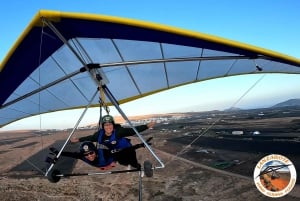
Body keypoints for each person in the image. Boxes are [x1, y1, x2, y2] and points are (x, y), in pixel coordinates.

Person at [70, 114, 155, 169]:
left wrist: (146, 126)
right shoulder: (100, 134)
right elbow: (91, 138)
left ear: (113, 125)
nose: (108, 127)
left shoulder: (119, 131)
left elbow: (132, 130)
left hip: (125, 149)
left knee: (128, 161)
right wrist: (78, 139)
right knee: (116, 159)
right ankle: (121, 162)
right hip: (113, 152)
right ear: (103, 126)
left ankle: (137, 166)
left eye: (110, 124)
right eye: (106, 125)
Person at [47, 139, 152, 170]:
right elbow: (70, 154)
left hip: (110, 160)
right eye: (86, 155)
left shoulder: (105, 153)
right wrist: (57, 153)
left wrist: (140, 145)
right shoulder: (82, 156)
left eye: (91, 153)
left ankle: (137, 166)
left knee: (125, 160)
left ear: (95, 151)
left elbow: (123, 150)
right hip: (102, 165)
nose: (89, 156)